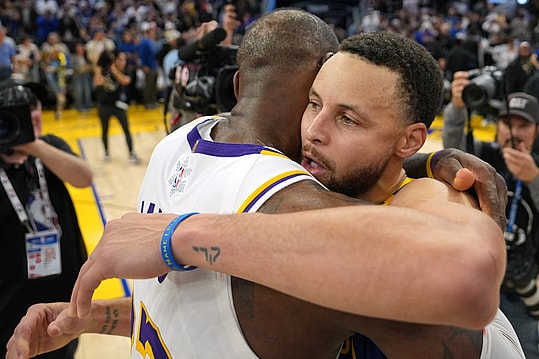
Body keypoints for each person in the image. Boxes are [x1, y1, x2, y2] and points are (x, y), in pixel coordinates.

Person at [7, 11, 509, 359]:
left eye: (348, 119)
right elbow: (199, 302)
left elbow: (462, 275)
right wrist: (91, 317)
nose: (313, 130)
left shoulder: (180, 143)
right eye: (312, 102)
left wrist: (180, 235)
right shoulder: (308, 210)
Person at [443, 72, 539, 359]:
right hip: (475, 283)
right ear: (497, 126)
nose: (515, 132)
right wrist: (457, 107)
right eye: (509, 123)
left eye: (525, 125)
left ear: (536, 130)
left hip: (520, 295)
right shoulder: (482, 155)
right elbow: (452, 148)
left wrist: (534, 179)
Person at [0, 79, 92, 359]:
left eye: (34, 106)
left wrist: (34, 146)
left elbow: (83, 177)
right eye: (19, 110)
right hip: (8, 298)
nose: (31, 114)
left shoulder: (50, 147)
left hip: (59, 293)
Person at [94, 49, 140, 164]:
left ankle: (131, 153)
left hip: (119, 105)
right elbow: (98, 82)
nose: (121, 62)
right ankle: (106, 152)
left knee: (126, 129)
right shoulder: (104, 71)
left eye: (123, 60)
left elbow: (125, 81)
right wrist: (99, 67)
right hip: (104, 105)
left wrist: (114, 71)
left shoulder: (126, 72)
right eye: (119, 59)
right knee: (105, 129)